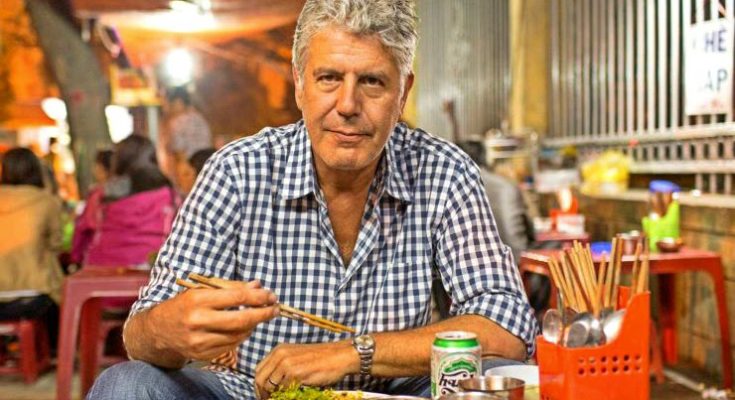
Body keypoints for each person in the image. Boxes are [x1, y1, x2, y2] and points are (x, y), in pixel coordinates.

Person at [88, 1, 537, 399]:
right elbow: (140, 335)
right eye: (328, 78)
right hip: (252, 393)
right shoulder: (237, 170)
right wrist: (174, 328)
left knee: (500, 374)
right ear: (300, 84)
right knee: (127, 385)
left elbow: (508, 327)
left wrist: (352, 354)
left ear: (403, 93)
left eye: (373, 82)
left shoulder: (443, 171)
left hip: (399, 391)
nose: (347, 104)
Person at [81, 135, 178, 267]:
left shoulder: (103, 193)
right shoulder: (168, 193)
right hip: (154, 264)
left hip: (105, 267)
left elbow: (86, 228)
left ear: (119, 160)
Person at [0, 147, 64, 348]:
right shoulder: (47, 201)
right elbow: (57, 243)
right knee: (60, 288)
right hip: (34, 297)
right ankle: (52, 350)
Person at [70, 149, 113, 265]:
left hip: (97, 255)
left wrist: (75, 256)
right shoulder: (128, 193)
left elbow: (87, 225)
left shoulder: (97, 194)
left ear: (101, 168)